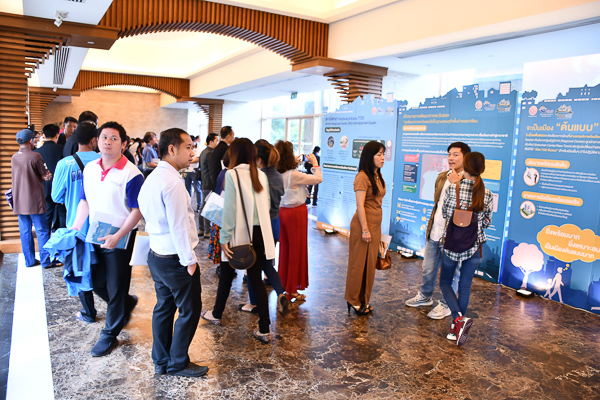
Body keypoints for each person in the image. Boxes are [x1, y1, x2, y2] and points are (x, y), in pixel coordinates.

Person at [138, 128, 208, 378]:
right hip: (176, 258)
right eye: (188, 147)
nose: (192, 152)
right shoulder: (173, 183)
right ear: (171, 149)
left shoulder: (154, 177)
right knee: (190, 310)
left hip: (157, 255)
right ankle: (178, 363)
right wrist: (189, 260)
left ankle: (161, 360)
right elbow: (179, 226)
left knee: (164, 308)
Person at [70, 121, 143, 357]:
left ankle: (109, 334)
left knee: (115, 284)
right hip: (95, 233)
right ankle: (124, 303)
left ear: (123, 144)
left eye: (113, 138)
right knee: (96, 281)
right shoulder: (90, 168)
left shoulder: (132, 173)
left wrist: (119, 235)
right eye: (104, 137)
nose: (107, 142)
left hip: (121, 237)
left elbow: (137, 211)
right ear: (96, 141)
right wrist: (76, 227)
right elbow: (84, 200)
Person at [201, 138, 275, 343]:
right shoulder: (260, 174)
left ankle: (216, 314)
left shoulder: (231, 174)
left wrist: (223, 238)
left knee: (226, 274)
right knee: (255, 279)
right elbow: (267, 206)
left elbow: (229, 211)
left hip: (238, 234)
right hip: (260, 234)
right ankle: (264, 329)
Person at [405, 142, 471, 319]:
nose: (451, 158)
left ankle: (446, 304)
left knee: (451, 274)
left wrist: (457, 184)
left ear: (465, 157)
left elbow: (467, 207)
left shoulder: (470, 181)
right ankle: (425, 296)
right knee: (428, 268)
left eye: (455, 154)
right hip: (435, 231)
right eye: (449, 154)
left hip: (454, 237)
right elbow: (438, 204)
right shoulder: (442, 177)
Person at [439, 151, 493, 346]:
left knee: (445, 283)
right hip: (475, 246)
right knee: (464, 286)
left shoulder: (453, 187)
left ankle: (457, 319)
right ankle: (457, 329)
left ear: (466, 167)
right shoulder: (487, 193)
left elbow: (446, 214)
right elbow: (487, 222)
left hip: (452, 243)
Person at [52, 122, 101, 323]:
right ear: (94, 140)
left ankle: (88, 312)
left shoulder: (65, 164)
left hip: (77, 225)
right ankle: (118, 309)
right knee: (106, 269)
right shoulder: (103, 161)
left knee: (81, 268)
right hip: (103, 225)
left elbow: (56, 196)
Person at [239, 140, 289, 314]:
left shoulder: (259, 177)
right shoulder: (279, 176)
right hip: (275, 224)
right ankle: (281, 293)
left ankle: (254, 303)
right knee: (267, 263)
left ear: (259, 159)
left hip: (260, 226)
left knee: (253, 265)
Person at [274, 140, 322, 302]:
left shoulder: (277, 173)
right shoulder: (294, 175)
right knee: (296, 251)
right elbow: (318, 179)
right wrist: (315, 164)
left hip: (282, 212)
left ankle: (284, 285)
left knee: (285, 250)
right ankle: (292, 290)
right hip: (296, 213)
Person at [345, 141, 386, 315]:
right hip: (363, 226)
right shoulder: (362, 176)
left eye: (383, 154)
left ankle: (364, 299)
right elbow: (360, 205)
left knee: (369, 266)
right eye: (379, 154)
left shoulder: (377, 175)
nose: (383, 158)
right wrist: (365, 230)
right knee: (358, 264)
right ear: (370, 157)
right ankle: (353, 299)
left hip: (375, 225)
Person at [11, 129, 53, 268]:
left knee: (25, 231)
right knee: (42, 230)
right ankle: (45, 261)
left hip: (19, 200)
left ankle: (29, 261)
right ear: (30, 141)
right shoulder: (35, 156)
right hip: (35, 200)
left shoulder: (14, 157)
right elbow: (44, 175)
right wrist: (47, 176)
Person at [35, 124, 66, 231]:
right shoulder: (63, 149)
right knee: (63, 216)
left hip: (44, 189)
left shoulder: (37, 152)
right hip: (61, 189)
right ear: (57, 135)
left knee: (47, 218)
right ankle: (62, 239)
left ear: (44, 135)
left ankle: (46, 240)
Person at [198, 133, 219, 238]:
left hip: (204, 182)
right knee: (208, 207)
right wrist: (215, 184)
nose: (218, 143)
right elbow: (212, 170)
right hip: (209, 184)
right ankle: (207, 231)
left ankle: (201, 229)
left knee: (203, 206)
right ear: (211, 142)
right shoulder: (210, 153)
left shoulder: (203, 151)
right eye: (217, 140)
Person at [183, 135, 201, 212]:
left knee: (197, 189)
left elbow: (198, 159)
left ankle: (199, 206)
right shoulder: (186, 148)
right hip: (187, 170)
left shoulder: (199, 148)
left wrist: (189, 161)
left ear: (194, 141)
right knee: (188, 189)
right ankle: (188, 206)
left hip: (195, 171)